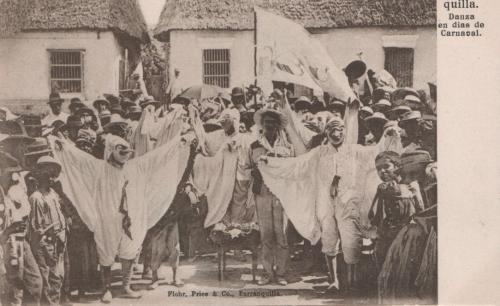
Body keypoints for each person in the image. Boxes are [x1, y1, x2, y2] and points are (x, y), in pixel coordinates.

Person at [50, 130, 196, 303]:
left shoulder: (137, 166)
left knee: (130, 249)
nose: (125, 155)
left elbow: (159, 156)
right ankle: (106, 289)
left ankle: (126, 286)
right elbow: (80, 159)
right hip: (108, 216)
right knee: (106, 250)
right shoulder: (99, 167)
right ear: (111, 150)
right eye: (121, 151)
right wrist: (64, 148)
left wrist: (179, 142)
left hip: (131, 216)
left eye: (127, 152)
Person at [249, 108, 293, 286]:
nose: (270, 126)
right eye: (267, 123)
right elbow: (246, 168)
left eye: (273, 123)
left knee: (281, 234)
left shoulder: (287, 148)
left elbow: (292, 170)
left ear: (278, 126)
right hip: (262, 194)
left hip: (280, 194)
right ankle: (267, 272)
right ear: (263, 125)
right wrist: (258, 169)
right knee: (265, 235)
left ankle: (281, 273)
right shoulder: (254, 146)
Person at [369, 151, 420, 270]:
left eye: (386, 167)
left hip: (409, 233)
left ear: (397, 166)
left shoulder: (411, 185)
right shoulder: (383, 187)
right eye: (378, 169)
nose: (382, 171)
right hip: (388, 232)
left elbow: (420, 209)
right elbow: (378, 214)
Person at [28, 164, 67, 306]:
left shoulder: (53, 195)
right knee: (48, 278)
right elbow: (37, 228)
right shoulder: (36, 198)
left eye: (53, 175)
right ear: (40, 177)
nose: (51, 179)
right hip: (44, 243)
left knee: (57, 277)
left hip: (57, 241)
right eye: (47, 175)